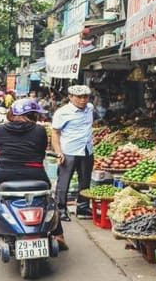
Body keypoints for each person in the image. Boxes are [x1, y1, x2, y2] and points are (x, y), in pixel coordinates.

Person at [0, 99, 67, 255]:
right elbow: (41, 150)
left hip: (5, 173)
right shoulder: (39, 131)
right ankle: (59, 235)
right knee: (49, 201)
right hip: (35, 173)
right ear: (33, 114)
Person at [52, 85, 94, 222]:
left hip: (87, 150)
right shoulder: (62, 112)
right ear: (70, 97)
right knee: (64, 182)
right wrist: (58, 152)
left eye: (85, 97)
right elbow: (55, 133)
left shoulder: (90, 108)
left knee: (85, 181)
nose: (83, 100)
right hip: (69, 151)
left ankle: (83, 207)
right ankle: (61, 209)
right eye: (79, 97)